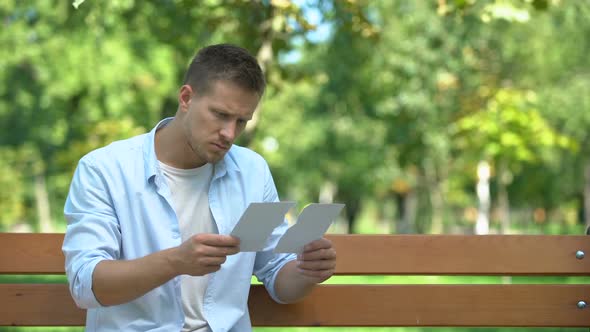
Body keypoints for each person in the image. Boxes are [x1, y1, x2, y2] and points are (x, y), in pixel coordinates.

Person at [62, 43, 337, 332]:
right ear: (186, 98)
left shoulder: (253, 172)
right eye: (220, 114)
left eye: (241, 121)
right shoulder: (104, 170)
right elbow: (85, 284)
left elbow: (277, 273)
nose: (230, 134)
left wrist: (307, 271)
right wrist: (176, 261)